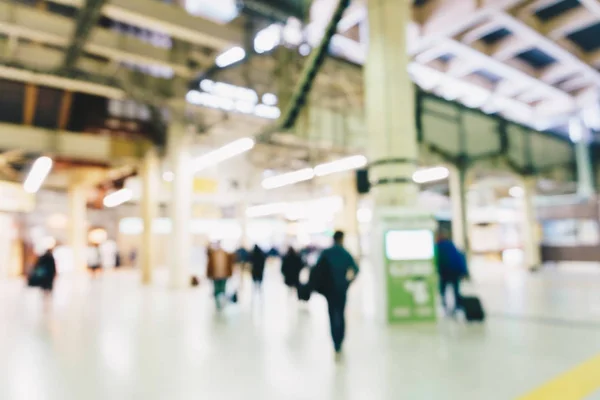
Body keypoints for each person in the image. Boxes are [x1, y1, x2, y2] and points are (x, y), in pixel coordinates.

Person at [314, 231, 359, 360]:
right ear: (342, 239)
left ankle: (335, 342)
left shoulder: (326, 253)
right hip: (341, 289)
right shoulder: (345, 253)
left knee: (332, 314)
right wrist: (348, 282)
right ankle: (340, 340)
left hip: (329, 289)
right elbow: (356, 269)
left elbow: (317, 270)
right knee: (341, 313)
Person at [435, 229, 467, 315]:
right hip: (455, 272)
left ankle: (445, 306)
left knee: (443, 290)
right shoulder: (451, 245)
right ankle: (457, 306)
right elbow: (459, 258)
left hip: (445, 272)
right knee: (455, 289)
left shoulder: (438, 247)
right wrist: (464, 271)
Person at [206, 242, 236, 310]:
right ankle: (217, 305)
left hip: (224, 275)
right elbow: (209, 265)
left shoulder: (226, 254)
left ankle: (222, 304)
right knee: (216, 290)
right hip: (215, 276)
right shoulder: (213, 254)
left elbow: (231, 262)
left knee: (222, 290)